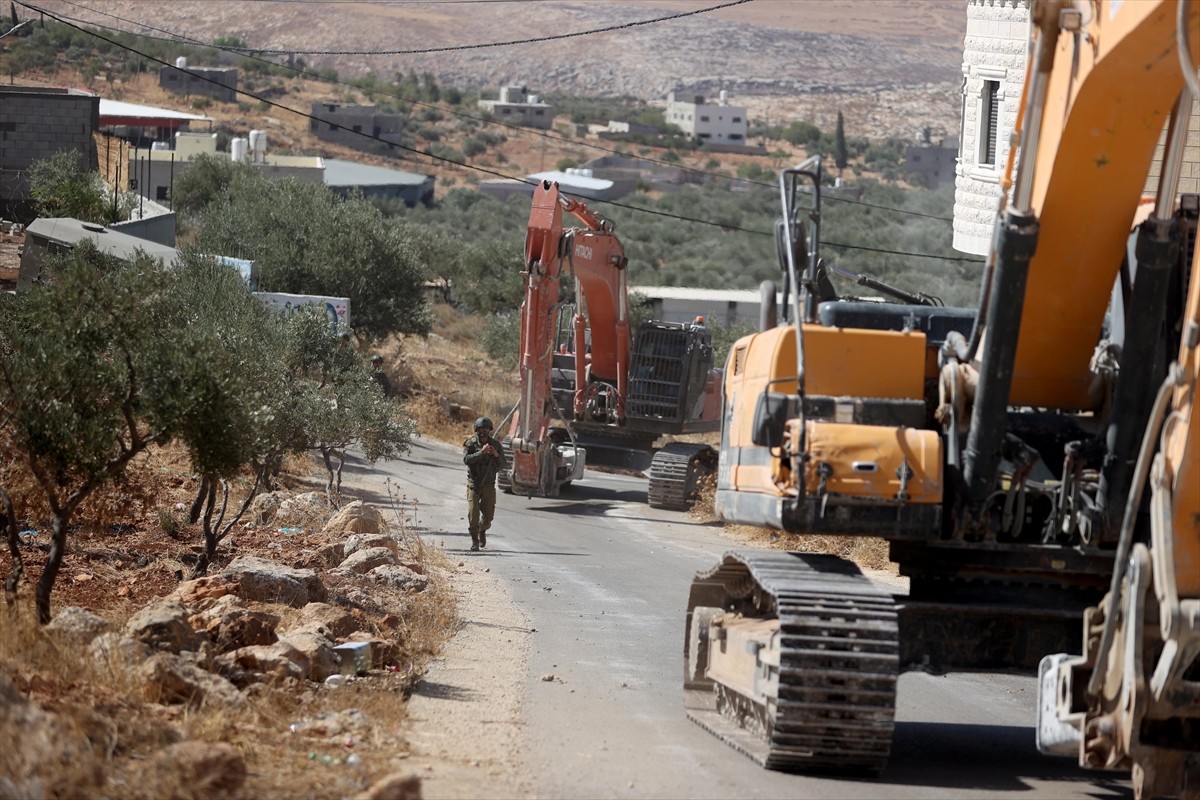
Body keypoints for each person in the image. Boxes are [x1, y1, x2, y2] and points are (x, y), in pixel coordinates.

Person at [462, 416, 505, 551]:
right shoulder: (471, 444)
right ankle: (475, 540)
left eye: (486, 429)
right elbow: (466, 460)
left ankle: (482, 530)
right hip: (474, 484)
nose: (483, 432)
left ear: (490, 430)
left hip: (489, 485)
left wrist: (496, 455)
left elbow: (503, 464)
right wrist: (481, 453)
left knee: (488, 516)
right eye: (481, 429)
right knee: (473, 513)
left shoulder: (496, 445)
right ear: (476, 430)